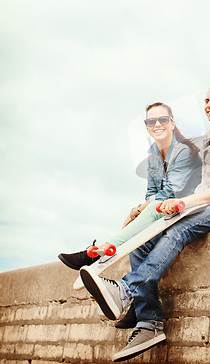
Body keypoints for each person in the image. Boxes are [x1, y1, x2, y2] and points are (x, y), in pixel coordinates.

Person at [79, 83, 210, 362]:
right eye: (206, 100)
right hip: (199, 204)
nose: (209, 105)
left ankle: (127, 289)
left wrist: (185, 202)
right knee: (144, 240)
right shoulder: (207, 140)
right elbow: (195, 182)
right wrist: (172, 205)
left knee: (176, 231)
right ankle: (149, 323)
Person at [58, 103, 202, 270]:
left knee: (154, 207)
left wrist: (136, 211)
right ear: (146, 126)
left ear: (172, 123)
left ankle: (103, 249)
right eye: (151, 121)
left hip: (188, 207)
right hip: (164, 212)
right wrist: (139, 211)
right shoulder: (153, 155)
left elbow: (172, 191)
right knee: (147, 219)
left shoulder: (183, 150)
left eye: (162, 120)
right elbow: (151, 193)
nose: (157, 125)